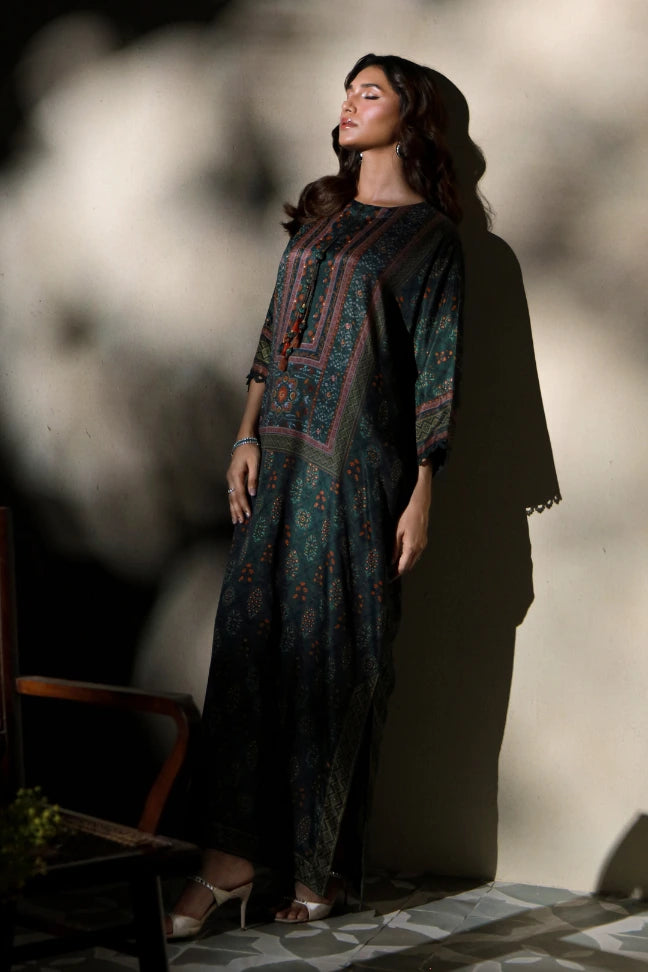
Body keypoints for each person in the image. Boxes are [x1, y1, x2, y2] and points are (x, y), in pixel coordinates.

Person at [166, 52, 464, 937]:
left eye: (370, 92)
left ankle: (316, 868)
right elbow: (274, 335)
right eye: (347, 91)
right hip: (279, 461)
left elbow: (436, 370)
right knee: (249, 649)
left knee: (337, 656)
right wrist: (245, 434)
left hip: (358, 473)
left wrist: (422, 491)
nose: (349, 104)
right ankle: (226, 863)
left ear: (410, 116)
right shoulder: (322, 215)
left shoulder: (431, 241)